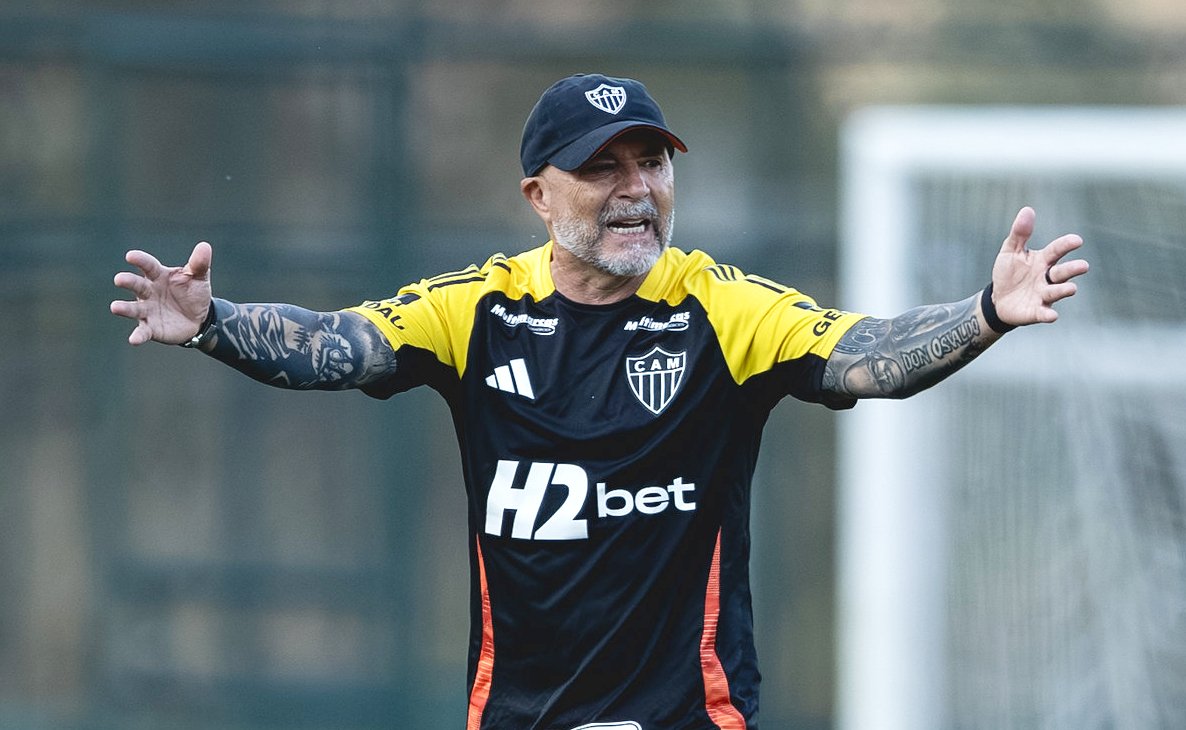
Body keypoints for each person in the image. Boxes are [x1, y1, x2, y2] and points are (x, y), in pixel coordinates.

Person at [111, 73, 1088, 729]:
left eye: (653, 163)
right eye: (602, 168)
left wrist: (982, 314)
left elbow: (858, 356)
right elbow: (338, 343)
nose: (636, 191)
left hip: (692, 714)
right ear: (538, 194)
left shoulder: (721, 308)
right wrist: (212, 321)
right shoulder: (476, 312)